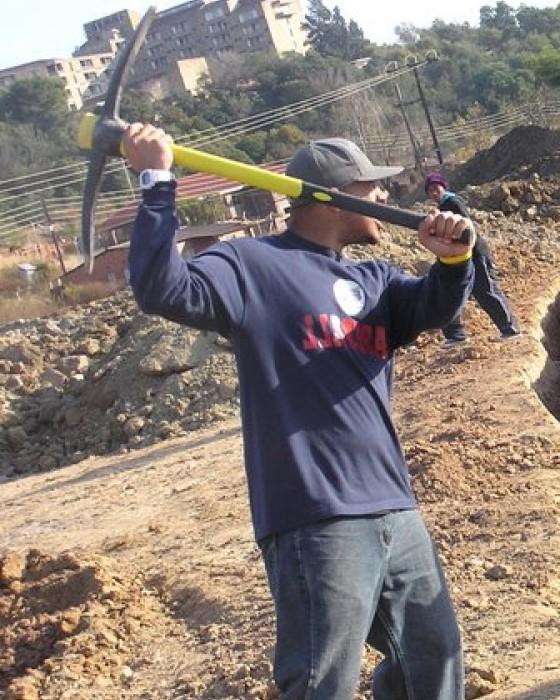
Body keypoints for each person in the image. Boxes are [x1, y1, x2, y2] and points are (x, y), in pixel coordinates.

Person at [123, 124, 474, 700]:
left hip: (393, 504)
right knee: (321, 682)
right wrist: (156, 181)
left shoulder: (375, 280)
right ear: (337, 195)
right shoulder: (250, 266)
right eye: (373, 187)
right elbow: (161, 287)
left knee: (433, 662)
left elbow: (435, 304)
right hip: (316, 517)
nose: (385, 199)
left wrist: (454, 259)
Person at [424, 172, 521, 345]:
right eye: (430, 190)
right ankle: (456, 336)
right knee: (449, 293)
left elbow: (466, 229)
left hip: (474, 253)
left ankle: (510, 329)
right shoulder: (442, 207)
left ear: (443, 187)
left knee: (486, 290)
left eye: (436, 188)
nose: (433, 192)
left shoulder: (453, 202)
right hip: (457, 256)